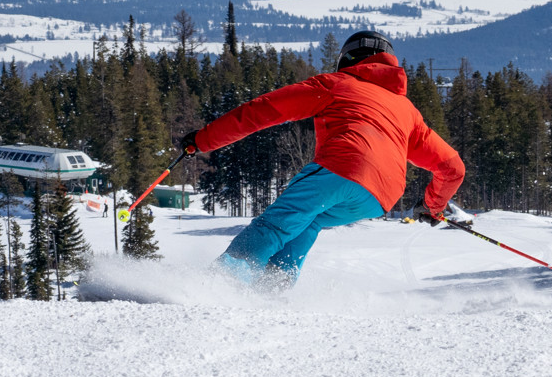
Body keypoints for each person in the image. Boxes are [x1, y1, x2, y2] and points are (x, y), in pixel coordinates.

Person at [178, 30, 465, 286]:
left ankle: (219, 283)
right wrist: (432, 206)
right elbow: (452, 167)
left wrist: (203, 140)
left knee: (276, 224)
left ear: (348, 59)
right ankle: (270, 288)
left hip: (341, 169)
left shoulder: (336, 84)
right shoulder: (408, 111)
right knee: (309, 221)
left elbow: (262, 110)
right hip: (380, 197)